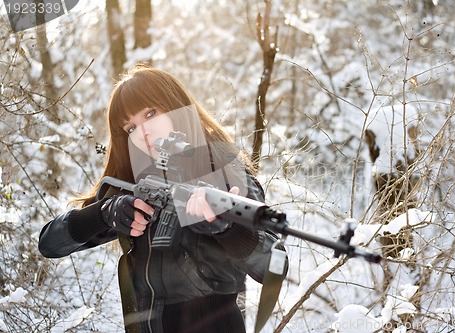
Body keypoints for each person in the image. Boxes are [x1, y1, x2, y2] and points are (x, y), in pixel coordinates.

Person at [38, 64, 286, 333]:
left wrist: (226, 229)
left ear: (176, 107)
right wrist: (104, 213)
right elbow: (50, 244)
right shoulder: (136, 183)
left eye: (151, 113)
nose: (143, 133)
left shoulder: (223, 171)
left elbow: (274, 265)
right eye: (131, 128)